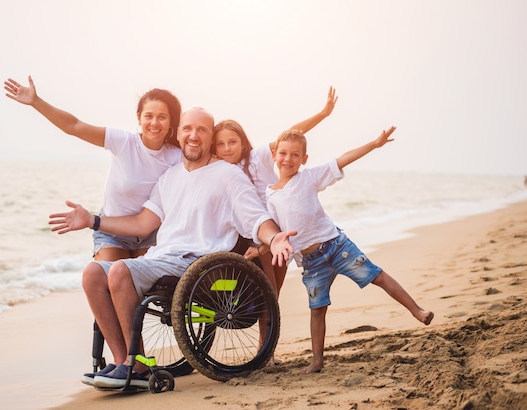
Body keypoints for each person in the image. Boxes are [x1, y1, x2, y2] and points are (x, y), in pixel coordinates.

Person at [48, 107, 296, 388]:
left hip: (197, 262)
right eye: (188, 128)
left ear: (210, 137)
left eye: (202, 130)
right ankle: (122, 362)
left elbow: (256, 218)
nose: (194, 135)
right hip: (161, 257)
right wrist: (93, 220)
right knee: (93, 273)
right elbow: (143, 224)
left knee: (119, 271)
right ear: (178, 134)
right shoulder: (170, 176)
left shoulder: (227, 176)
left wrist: (275, 238)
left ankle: (138, 365)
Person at [265, 128, 434, 374]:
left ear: (304, 159)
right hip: (311, 263)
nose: (287, 159)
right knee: (317, 309)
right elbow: (273, 230)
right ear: (274, 154)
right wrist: (259, 248)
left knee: (377, 276)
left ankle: (417, 311)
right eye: (283, 153)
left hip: (336, 246)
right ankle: (317, 362)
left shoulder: (309, 178)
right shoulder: (270, 194)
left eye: (295, 155)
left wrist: (374, 144)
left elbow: (344, 158)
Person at [4, 76, 183, 262]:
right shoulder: (123, 142)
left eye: (162, 117)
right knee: (107, 276)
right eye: (149, 116)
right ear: (139, 118)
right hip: (111, 230)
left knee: (147, 287)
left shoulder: (177, 157)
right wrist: (36, 102)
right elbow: (74, 126)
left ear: (171, 121)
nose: (154, 123)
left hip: (152, 234)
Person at [213, 87, 338, 295]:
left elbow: (291, 134)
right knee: (258, 289)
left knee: (273, 292)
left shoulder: (257, 157)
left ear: (242, 142)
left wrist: (323, 114)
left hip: (279, 230)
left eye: (232, 142)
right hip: (252, 234)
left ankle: (269, 325)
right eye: (220, 144)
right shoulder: (220, 171)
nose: (227, 148)